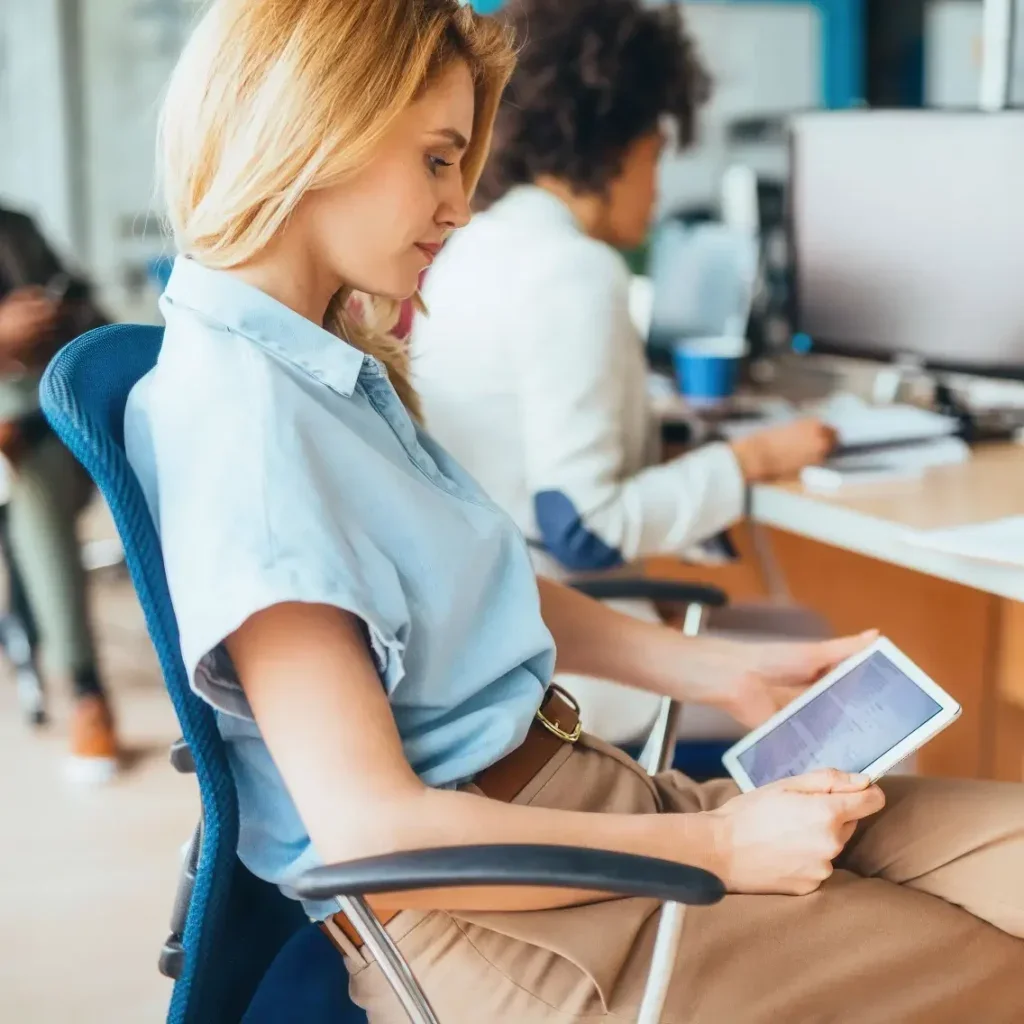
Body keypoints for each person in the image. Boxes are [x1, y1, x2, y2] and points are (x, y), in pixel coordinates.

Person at [127, 1, 1024, 1020]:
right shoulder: (243, 421)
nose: (459, 204)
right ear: (315, 126)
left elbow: (454, 589)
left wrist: (724, 666)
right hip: (520, 914)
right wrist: (724, 847)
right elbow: (374, 828)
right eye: (434, 159)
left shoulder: (316, 365)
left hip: (599, 816)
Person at [410, 0, 837, 743]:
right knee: (853, 688)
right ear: (613, 146)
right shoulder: (572, 270)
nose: (660, 188)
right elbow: (583, 529)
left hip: (498, 633)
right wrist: (754, 457)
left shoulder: (481, 246)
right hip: (568, 668)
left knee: (799, 626)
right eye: (656, 155)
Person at [0, 205, 118, 780]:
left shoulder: (15, 229)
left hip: (33, 430)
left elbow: (93, 316)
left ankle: (83, 686)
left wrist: (54, 314)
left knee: (33, 473)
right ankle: (85, 690)